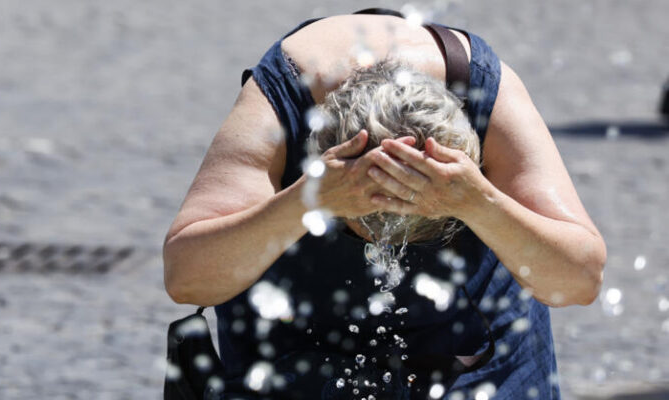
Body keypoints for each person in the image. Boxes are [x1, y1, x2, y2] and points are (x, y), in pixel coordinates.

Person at [162, 10, 606, 400]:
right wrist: (304, 201)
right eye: (361, 225)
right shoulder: (279, 103)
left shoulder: (488, 96)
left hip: (478, 352)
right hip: (297, 350)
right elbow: (186, 279)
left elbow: (581, 279)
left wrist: (481, 203)